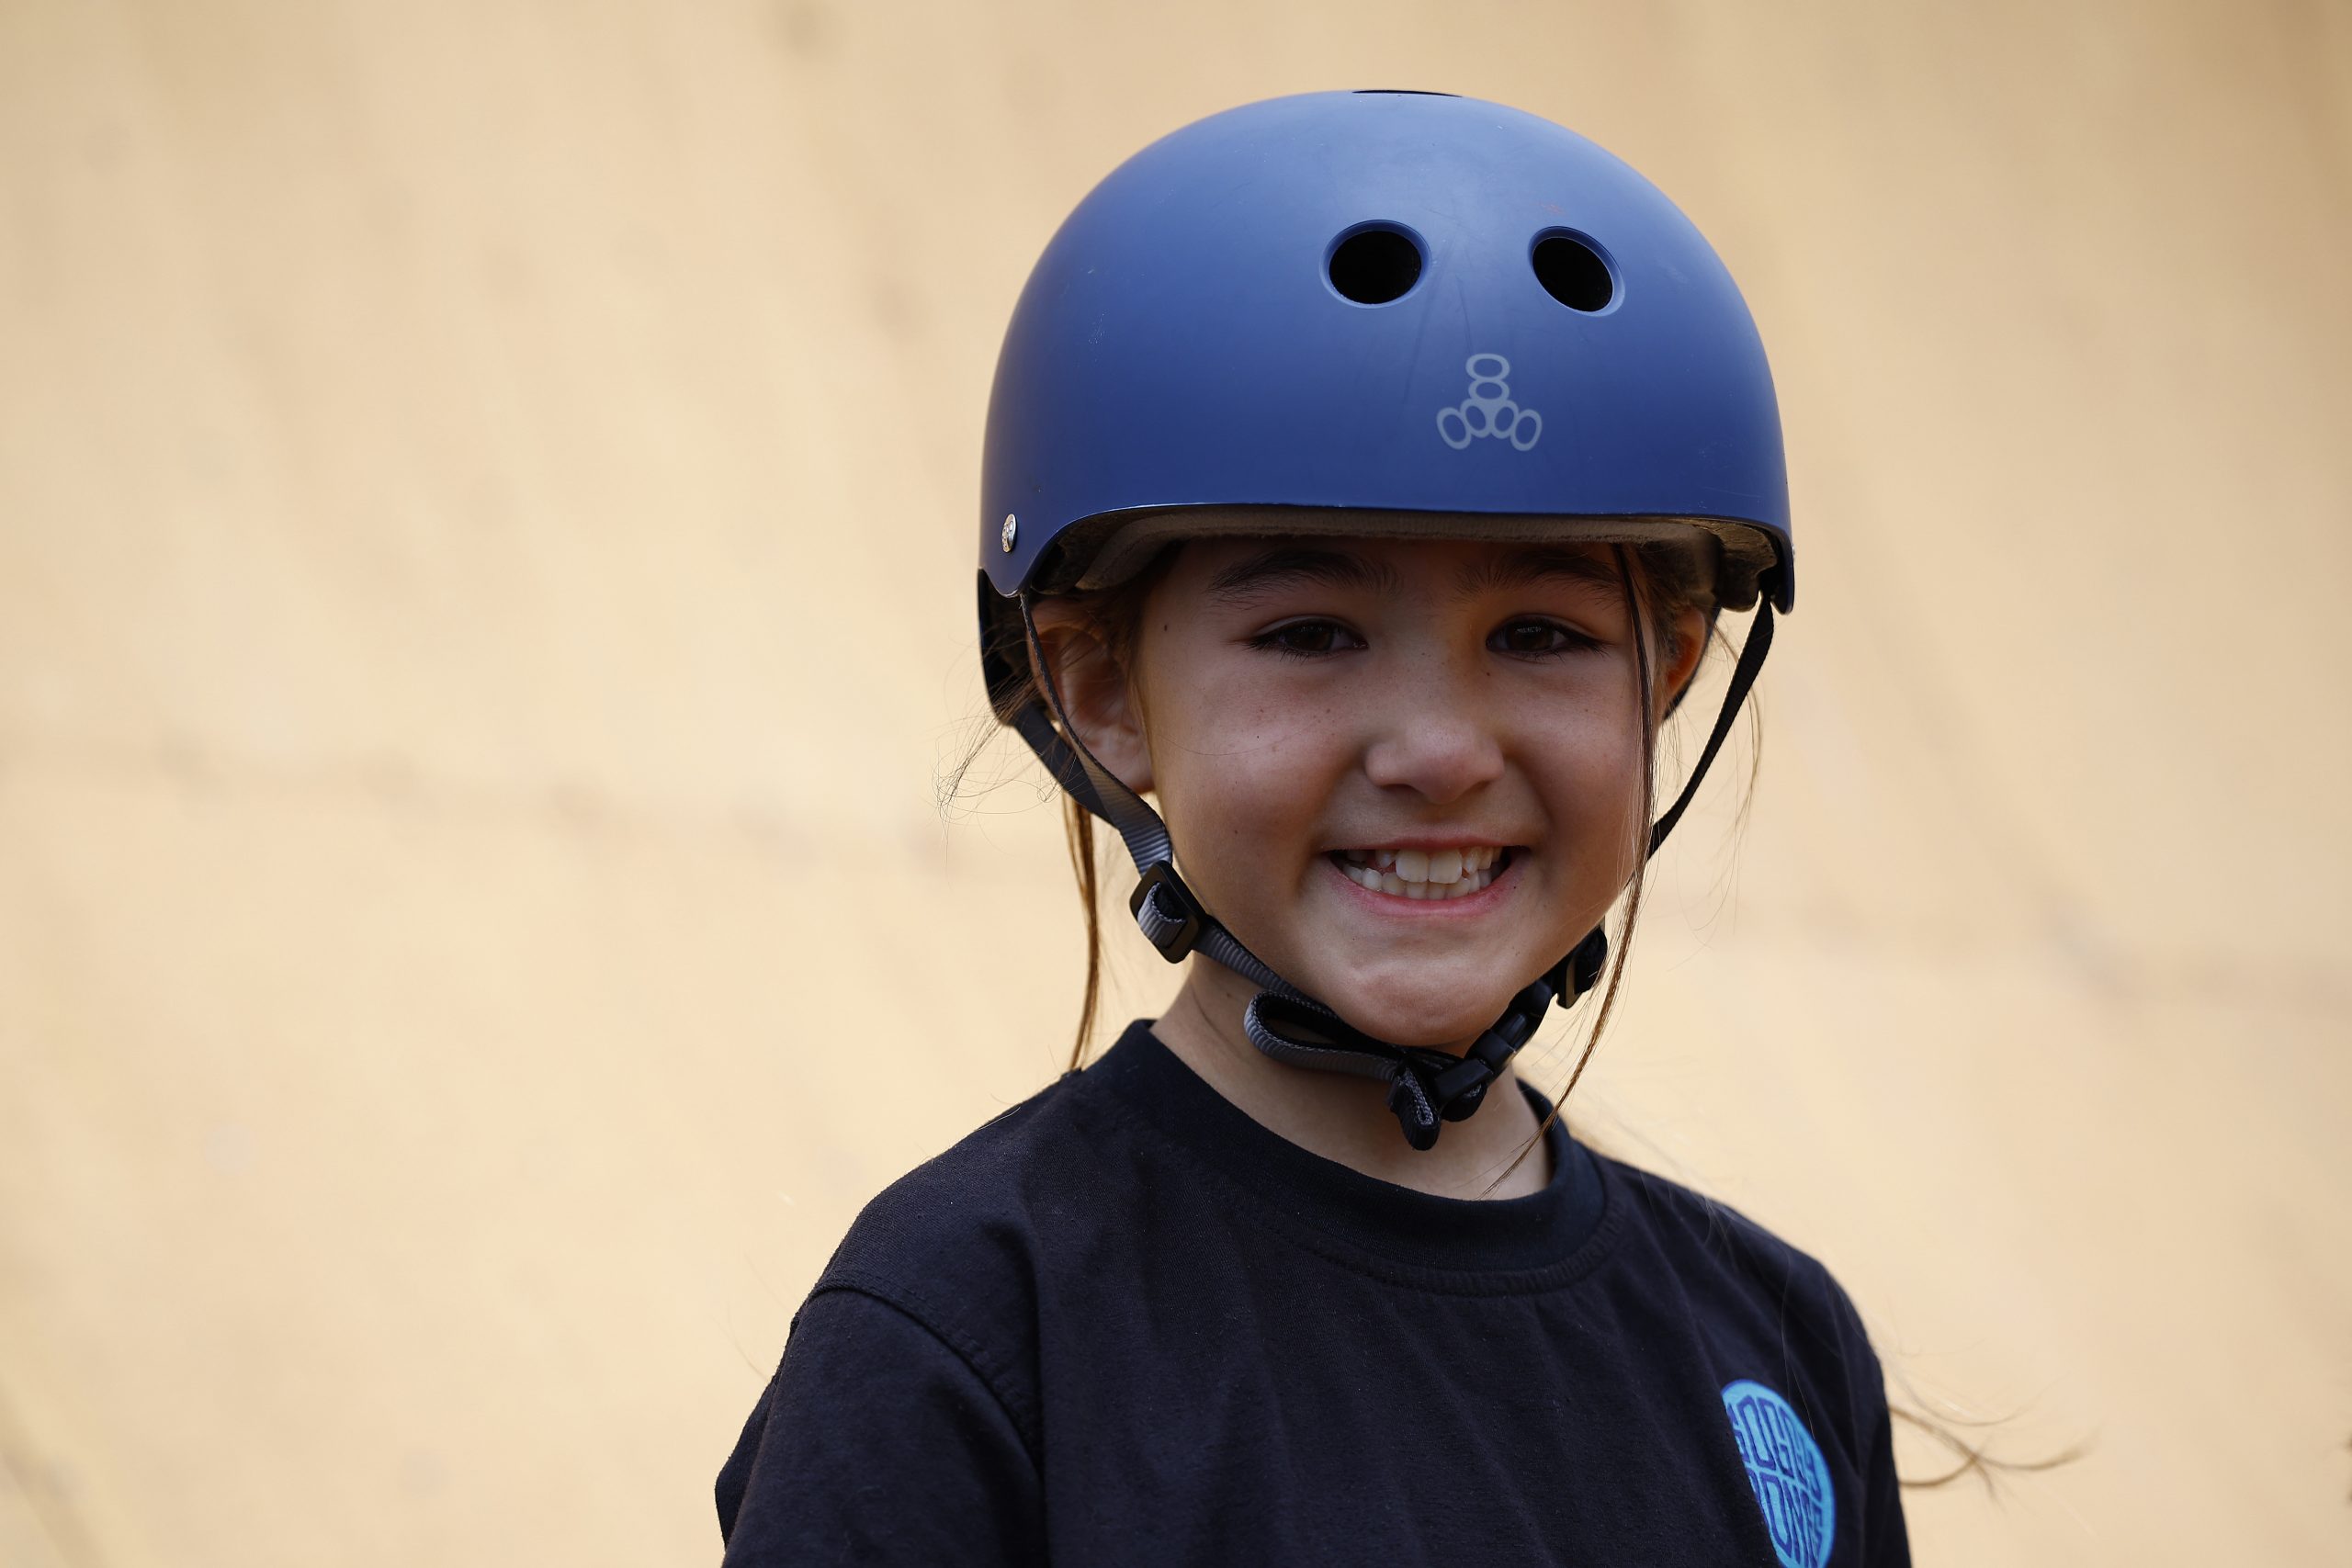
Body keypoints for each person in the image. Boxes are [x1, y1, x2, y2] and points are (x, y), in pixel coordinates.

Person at [717, 89, 1910, 1566]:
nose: (1437, 751)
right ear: (1101, 689)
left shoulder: (1779, 1353)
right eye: (1309, 633)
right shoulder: (972, 1326)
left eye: (1540, 632)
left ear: (1665, 675)